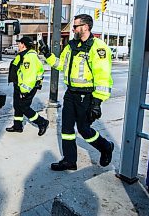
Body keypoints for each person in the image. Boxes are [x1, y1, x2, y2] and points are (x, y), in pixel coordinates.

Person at [39, 14, 114, 171]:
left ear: (85, 27)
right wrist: (47, 55)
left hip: (86, 97)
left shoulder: (98, 47)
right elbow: (61, 65)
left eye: (75, 26)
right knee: (66, 128)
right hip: (70, 94)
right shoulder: (71, 46)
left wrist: (97, 102)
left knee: (84, 130)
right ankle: (69, 160)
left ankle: (106, 147)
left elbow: (103, 76)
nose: (73, 29)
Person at [7, 37, 49, 135]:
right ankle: (17, 126)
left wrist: (24, 90)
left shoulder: (29, 57)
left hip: (25, 87)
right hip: (18, 85)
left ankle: (42, 122)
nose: (18, 45)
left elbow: (29, 76)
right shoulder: (23, 55)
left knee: (24, 107)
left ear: (24, 44)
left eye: (20, 43)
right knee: (17, 106)